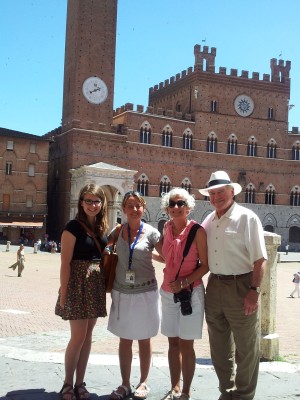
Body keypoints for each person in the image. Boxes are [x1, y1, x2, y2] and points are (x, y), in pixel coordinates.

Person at [199, 171, 268, 400]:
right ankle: (226, 390)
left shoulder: (247, 218)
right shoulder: (209, 220)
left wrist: (254, 291)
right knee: (219, 347)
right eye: (212, 193)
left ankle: (243, 395)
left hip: (242, 286)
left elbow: (260, 259)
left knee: (247, 347)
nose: (216, 196)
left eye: (220, 192)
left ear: (232, 192)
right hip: (215, 286)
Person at [55, 183, 108, 400]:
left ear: (102, 203)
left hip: (95, 285)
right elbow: (65, 263)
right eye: (88, 200)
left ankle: (80, 383)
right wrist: (65, 294)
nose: (92, 205)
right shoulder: (72, 227)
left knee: (88, 337)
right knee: (77, 336)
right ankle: (67, 384)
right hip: (77, 284)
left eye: (96, 201)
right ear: (81, 202)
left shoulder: (101, 227)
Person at [107, 191, 162, 400]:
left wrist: (150, 254)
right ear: (123, 209)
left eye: (138, 205)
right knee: (125, 339)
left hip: (146, 291)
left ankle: (143, 382)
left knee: (144, 338)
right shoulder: (118, 230)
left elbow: (166, 256)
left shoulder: (152, 233)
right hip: (122, 290)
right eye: (130, 205)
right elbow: (106, 246)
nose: (135, 209)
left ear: (144, 208)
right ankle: (125, 384)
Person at [160, 188, 209, 400]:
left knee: (187, 344)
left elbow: (205, 266)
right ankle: (175, 386)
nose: (176, 207)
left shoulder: (198, 231)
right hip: (168, 292)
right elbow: (169, 259)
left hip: (191, 293)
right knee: (173, 343)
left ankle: (186, 391)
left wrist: (185, 282)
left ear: (188, 207)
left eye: (181, 204)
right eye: (172, 204)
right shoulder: (166, 228)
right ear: (167, 208)